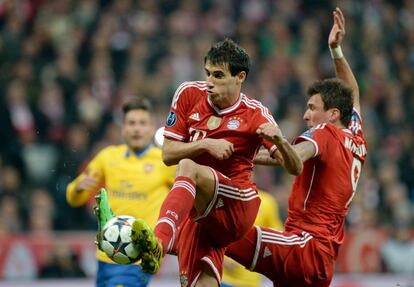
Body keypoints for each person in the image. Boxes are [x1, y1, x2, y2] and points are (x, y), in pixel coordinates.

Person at [98, 38, 303, 287]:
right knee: (197, 283)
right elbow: (168, 153)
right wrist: (205, 144)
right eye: (207, 73)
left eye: (218, 75)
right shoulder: (188, 94)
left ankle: (160, 243)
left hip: (236, 206)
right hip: (203, 217)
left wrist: (279, 142)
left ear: (240, 77)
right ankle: (166, 241)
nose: (209, 82)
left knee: (187, 167)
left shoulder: (256, 113)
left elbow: (295, 167)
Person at [225, 7, 367, 287]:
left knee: (220, 231)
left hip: (304, 244)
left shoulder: (325, 132)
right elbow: (354, 93)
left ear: (333, 113)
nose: (306, 115)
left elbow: (294, 159)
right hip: (323, 261)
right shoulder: (356, 135)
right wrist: (336, 50)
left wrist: (275, 140)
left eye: (312, 108)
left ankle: (157, 239)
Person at [66, 97, 175, 287]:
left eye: (142, 123)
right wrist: (78, 188)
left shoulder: (165, 161)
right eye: (131, 123)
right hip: (106, 252)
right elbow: (73, 199)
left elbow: (188, 196)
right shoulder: (107, 157)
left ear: (151, 128)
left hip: (139, 256)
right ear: (123, 128)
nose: (136, 128)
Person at [221, 190, 283, 287]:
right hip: (223, 277)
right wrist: (222, 260)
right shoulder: (224, 197)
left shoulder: (267, 201)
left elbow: (277, 239)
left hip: (251, 281)